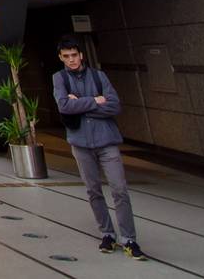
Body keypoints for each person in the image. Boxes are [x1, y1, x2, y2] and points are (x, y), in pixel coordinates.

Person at [52, 36, 147, 260]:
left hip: (107, 141)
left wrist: (80, 103)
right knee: (93, 190)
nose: (71, 60)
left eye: (74, 55)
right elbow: (64, 106)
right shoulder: (59, 78)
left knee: (119, 189)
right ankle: (107, 233)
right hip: (81, 143)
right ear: (60, 58)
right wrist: (95, 100)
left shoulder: (98, 76)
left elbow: (114, 105)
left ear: (81, 55)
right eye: (66, 56)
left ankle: (129, 239)